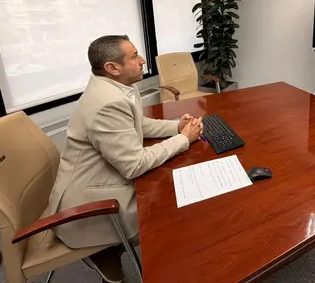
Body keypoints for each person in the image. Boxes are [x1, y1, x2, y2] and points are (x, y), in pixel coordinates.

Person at [46, 35, 203, 283]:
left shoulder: (118, 87)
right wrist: (183, 139)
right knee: (173, 203)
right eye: (134, 56)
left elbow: (138, 124)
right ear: (113, 68)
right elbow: (135, 165)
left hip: (101, 177)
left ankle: (118, 252)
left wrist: (176, 127)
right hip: (86, 205)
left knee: (173, 183)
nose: (143, 60)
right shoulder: (106, 104)